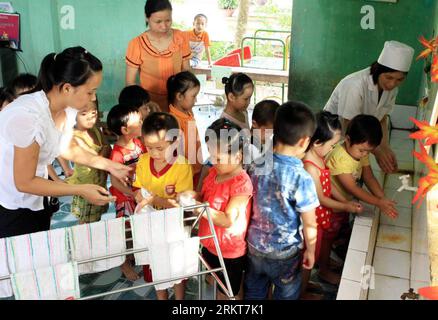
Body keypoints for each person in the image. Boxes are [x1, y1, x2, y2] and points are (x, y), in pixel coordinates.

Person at [0, 46, 130, 239]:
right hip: (11, 204)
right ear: (67, 87)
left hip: (37, 196)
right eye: (90, 91)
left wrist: (109, 165)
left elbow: (65, 147)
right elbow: (25, 182)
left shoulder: (67, 109)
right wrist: (80, 190)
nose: (93, 98)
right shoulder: (27, 117)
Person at [245, 101, 319, 300]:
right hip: (284, 254)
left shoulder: (256, 164)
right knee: (286, 295)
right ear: (304, 142)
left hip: (254, 247)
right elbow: (310, 222)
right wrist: (311, 250)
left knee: (254, 293)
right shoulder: (301, 178)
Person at [324, 40, 415, 174]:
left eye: (399, 80)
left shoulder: (392, 89)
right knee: (337, 173)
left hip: (357, 140)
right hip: (334, 136)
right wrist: (377, 151)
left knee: (354, 173)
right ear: (378, 71)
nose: (392, 84)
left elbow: (382, 118)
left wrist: (385, 148)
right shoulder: (354, 85)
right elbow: (349, 125)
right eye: (389, 77)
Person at [302, 111, 363, 294]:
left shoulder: (319, 157)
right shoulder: (309, 167)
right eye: (332, 145)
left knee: (317, 251)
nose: (333, 149)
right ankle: (301, 292)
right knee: (307, 261)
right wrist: (345, 206)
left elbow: (328, 183)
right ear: (317, 142)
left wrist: (345, 200)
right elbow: (321, 198)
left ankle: (307, 283)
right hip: (313, 221)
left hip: (321, 218)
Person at [134, 112, 193, 300]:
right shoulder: (143, 161)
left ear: (174, 142)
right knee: (156, 264)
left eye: (160, 148)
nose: (154, 153)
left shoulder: (182, 166)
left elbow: (182, 204)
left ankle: (179, 299)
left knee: (176, 266)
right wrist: (140, 197)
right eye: (149, 147)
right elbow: (138, 190)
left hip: (174, 228)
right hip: (152, 227)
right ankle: (161, 297)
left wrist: (154, 200)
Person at [192, 119, 253, 300]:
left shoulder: (241, 184)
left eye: (218, 158)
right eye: (210, 155)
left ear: (238, 156)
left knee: (228, 294)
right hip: (210, 244)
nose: (212, 161)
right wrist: (192, 197)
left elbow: (227, 220)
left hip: (229, 252)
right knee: (218, 283)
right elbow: (202, 198)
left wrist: (199, 209)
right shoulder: (213, 174)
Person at [326, 114, 398, 220]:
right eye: (362, 150)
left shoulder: (359, 152)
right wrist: (378, 202)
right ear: (347, 139)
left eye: (368, 151)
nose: (365, 154)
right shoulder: (339, 158)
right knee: (332, 230)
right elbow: (353, 188)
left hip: (344, 202)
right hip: (331, 205)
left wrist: (382, 199)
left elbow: (369, 177)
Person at [125, 0, 191, 112]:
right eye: (158, 21)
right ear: (147, 17)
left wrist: (188, 96)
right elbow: (130, 83)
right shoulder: (136, 44)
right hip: (150, 104)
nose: (164, 26)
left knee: (183, 128)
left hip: (179, 100)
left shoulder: (181, 37)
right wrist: (144, 104)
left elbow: (186, 71)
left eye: (168, 20)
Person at [107, 104, 146, 281]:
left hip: (137, 195)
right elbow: (115, 181)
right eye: (138, 122)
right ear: (125, 129)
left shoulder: (138, 143)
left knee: (135, 228)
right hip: (125, 198)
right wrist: (131, 194)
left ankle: (130, 254)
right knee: (124, 231)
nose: (142, 122)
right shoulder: (117, 153)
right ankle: (122, 262)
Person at [66, 99, 111, 224]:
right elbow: (92, 158)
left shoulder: (96, 130)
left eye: (93, 112)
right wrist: (101, 157)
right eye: (84, 113)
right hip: (85, 186)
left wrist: (101, 157)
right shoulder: (74, 136)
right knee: (85, 220)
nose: (90, 117)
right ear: (73, 114)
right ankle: (82, 242)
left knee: (96, 217)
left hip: (100, 183)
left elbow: (106, 146)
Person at [168, 71, 203, 187]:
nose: (196, 100)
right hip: (185, 175)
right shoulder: (173, 121)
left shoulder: (187, 113)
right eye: (193, 96)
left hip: (195, 169)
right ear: (179, 96)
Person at [246, 99, 280, 165]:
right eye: (267, 131)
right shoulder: (247, 147)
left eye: (273, 131)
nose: (271, 135)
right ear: (254, 123)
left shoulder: (267, 141)